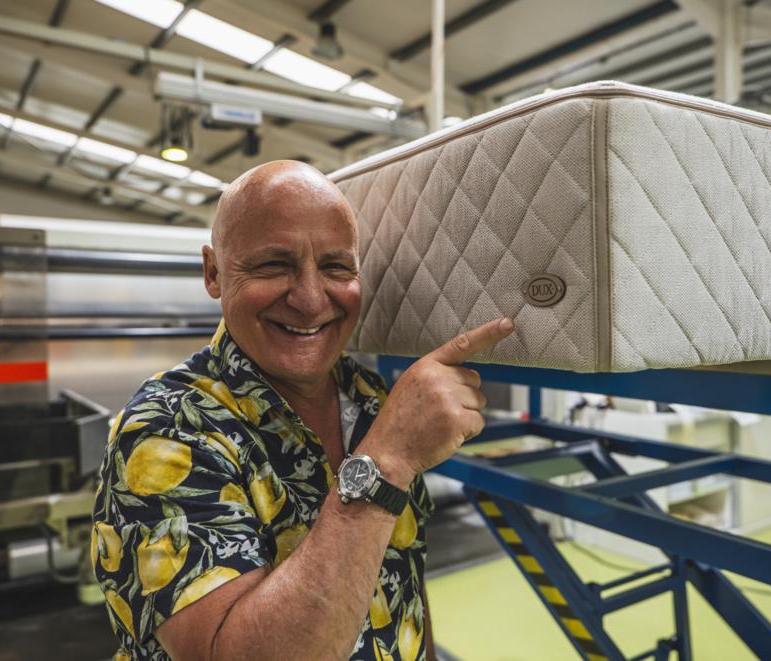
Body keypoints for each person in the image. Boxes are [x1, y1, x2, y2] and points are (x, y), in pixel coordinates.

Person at [91, 160, 514, 660]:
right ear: (214, 272)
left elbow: (403, 589)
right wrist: (385, 463)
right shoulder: (167, 431)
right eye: (274, 265)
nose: (311, 300)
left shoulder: (370, 398)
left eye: (336, 267)